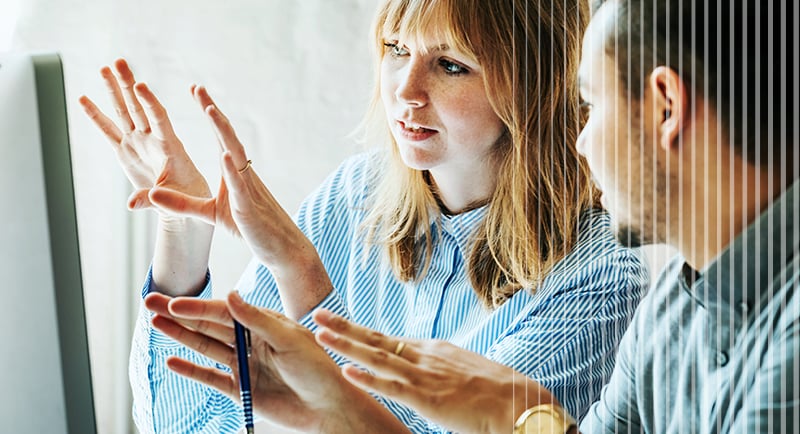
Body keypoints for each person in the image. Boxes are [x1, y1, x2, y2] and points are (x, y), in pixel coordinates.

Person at [79, 0, 648, 432]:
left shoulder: (600, 277)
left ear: (536, 81)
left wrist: (300, 272)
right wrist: (184, 232)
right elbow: (188, 423)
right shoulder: (356, 195)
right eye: (396, 49)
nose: (406, 90)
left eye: (450, 65)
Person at [279, 0, 798, 432]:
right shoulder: (672, 310)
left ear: (665, 108)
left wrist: (520, 415)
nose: (581, 141)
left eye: (592, 107)